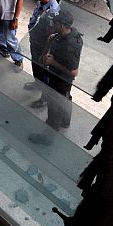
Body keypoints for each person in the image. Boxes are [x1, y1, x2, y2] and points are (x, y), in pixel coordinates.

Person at [29, 10, 83, 146]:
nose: (53, 24)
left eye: (56, 23)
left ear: (63, 25)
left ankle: (47, 139)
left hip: (60, 80)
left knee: (54, 110)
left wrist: (53, 63)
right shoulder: (70, 34)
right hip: (62, 82)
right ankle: (65, 121)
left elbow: (74, 72)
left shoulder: (69, 46)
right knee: (66, 99)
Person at [25, 0, 60, 108]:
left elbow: (52, 36)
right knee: (36, 67)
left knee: (44, 72)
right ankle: (37, 83)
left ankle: (45, 97)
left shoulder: (53, 11)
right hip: (35, 43)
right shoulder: (41, 2)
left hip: (43, 48)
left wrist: (46, 53)